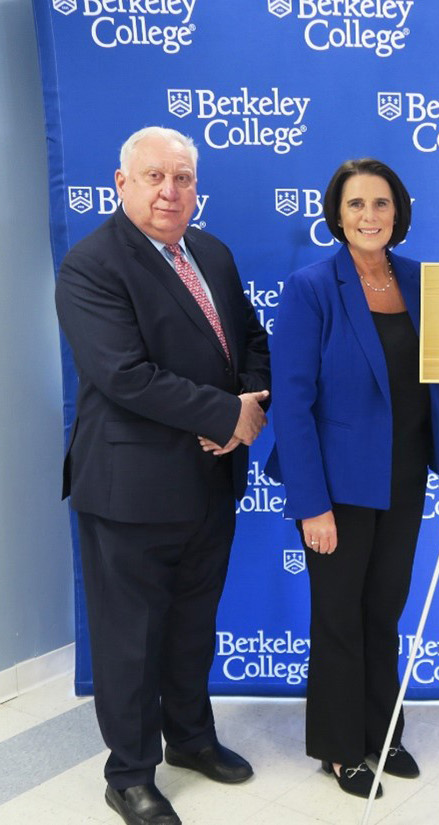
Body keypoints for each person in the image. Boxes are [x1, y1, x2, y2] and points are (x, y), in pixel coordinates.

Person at [55, 126, 268, 825]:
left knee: (191, 628)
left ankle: (192, 740)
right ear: (122, 183)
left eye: (182, 179)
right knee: (130, 639)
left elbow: (252, 338)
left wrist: (253, 401)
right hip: (130, 492)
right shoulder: (91, 264)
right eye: (154, 177)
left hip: (209, 484)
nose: (169, 192)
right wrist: (222, 415)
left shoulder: (211, 251)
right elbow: (123, 374)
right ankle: (130, 773)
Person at [267, 158, 439, 799]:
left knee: (383, 615)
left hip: (404, 479)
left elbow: (438, 370)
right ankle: (339, 748)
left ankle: (383, 734)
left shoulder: (421, 281)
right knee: (338, 619)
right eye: (356, 205)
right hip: (336, 488)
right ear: (337, 214)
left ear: (398, 212)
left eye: (381, 204)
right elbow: (293, 405)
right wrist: (311, 505)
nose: (370, 216)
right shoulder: (312, 287)